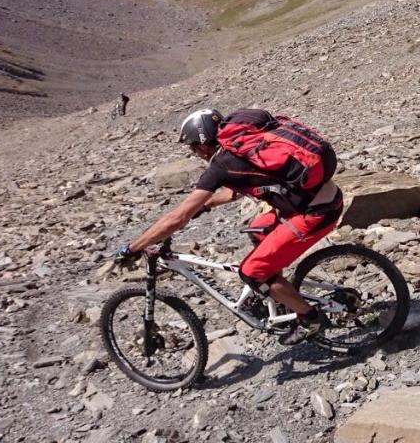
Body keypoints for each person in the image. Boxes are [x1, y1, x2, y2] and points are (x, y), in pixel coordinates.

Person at [114, 108, 343, 345]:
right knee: (258, 229)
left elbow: (177, 219)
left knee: (251, 273)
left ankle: (311, 318)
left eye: (193, 148)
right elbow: (247, 183)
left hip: (315, 212)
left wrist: (133, 247)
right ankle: (279, 295)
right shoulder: (243, 146)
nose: (195, 154)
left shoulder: (222, 165)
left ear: (203, 145)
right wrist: (207, 204)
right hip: (315, 198)